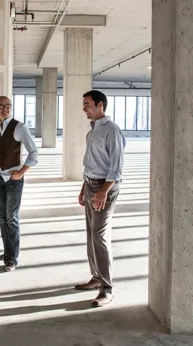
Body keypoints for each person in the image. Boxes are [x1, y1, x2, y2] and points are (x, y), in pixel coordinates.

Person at [73, 90, 125, 307]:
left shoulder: (111, 131)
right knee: (91, 234)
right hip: (91, 185)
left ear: (100, 105)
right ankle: (96, 277)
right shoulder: (92, 130)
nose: (84, 107)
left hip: (105, 187)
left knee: (99, 236)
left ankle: (107, 289)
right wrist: (84, 187)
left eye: (87, 104)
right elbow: (91, 162)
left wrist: (103, 191)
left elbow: (116, 166)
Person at [0, 95, 39, 272]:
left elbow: (34, 153)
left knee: (12, 218)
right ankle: (8, 252)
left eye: (8, 105)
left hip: (13, 180)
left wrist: (21, 172)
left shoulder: (20, 127)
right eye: (1, 106)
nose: (5, 109)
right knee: (2, 218)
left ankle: (12, 258)